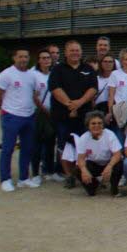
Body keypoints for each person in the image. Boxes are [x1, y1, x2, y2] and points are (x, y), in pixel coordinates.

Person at [49, 40, 98, 187]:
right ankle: (69, 175)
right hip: (62, 115)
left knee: (83, 145)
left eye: (77, 50)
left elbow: (93, 89)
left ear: (81, 52)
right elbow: (55, 88)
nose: (75, 53)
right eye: (72, 50)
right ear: (66, 52)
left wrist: (79, 103)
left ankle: (81, 172)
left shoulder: (88, 68)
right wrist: (70, 105)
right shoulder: (58, 69)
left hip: (84, 116)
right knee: (64, 146)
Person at [0, 48, 39, 191]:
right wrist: (6, 110)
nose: (23, 59)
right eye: (20, 57)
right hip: (11, 116)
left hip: (29, 116)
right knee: (8, 148)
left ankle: (23, 178)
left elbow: (34, 93)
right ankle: (5, 179)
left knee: (27, 148)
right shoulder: (6, 74)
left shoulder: (32, 75)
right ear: (14, 58)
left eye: (26, 57)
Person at [74, 110, 124, 197]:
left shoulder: (109, 134)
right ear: (88, 125)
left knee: (119, 163)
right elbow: (81, 158)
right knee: (78, 169)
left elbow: (117, 154)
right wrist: (84, 170)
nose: (97, 126)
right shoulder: (84, 138)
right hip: (93, 163)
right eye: (93, 123)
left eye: (99, 123)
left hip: (108, 162)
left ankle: (114, 188)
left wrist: (109, 166)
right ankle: (93, 185)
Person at [30, 49, 58, 185]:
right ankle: (35, 172)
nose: (46, 60)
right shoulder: (34, 75)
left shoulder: (53, 74)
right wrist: (43, 109)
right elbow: (34, 96)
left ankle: (49, 170)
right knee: (37, 142)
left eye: (48, 58)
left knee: (51, 141)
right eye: (43, 58)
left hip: (53, 112)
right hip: (40, 112)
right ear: (39, 60)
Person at [107, 48, 127, 143]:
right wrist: (110, 112)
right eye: (126, 59)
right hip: (120, 113)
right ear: (121, 61)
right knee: (119, 140)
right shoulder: (115, 74)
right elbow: (111, 95)